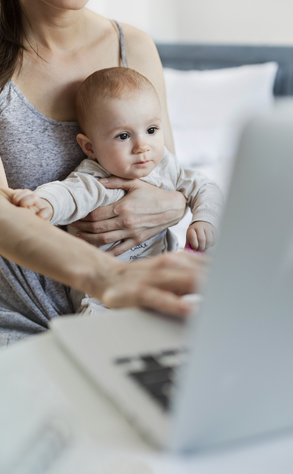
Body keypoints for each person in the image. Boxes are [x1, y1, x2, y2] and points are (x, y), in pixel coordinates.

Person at [0, 0, 206, 354]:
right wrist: (108, 276)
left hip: (130, 317)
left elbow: (165, 173)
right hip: (18, 325)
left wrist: (179, 204)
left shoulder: (134, 47)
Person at [12, 67, 223, 314]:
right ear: (90, 147)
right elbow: (69, 194)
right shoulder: (96, 178)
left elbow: (205, 186)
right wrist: (43, 203)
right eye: (123, 136)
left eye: (152, 130)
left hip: (161, 283)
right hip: (104, 297)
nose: (142, 146)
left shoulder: (166, 165)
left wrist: (204, 219)